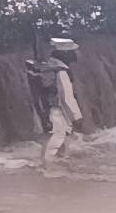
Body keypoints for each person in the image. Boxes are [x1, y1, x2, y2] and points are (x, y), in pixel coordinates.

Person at [27, 37, 84, 168]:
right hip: (57, 111)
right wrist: (77, 117)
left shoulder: (49, 67)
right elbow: (66, 96)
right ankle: (50, 169)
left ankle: (49, 166)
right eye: (73, 52)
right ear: (65, 54)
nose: (76, 54)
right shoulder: (61, 72)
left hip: (47, 109)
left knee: (52, 139)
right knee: (58, 138)